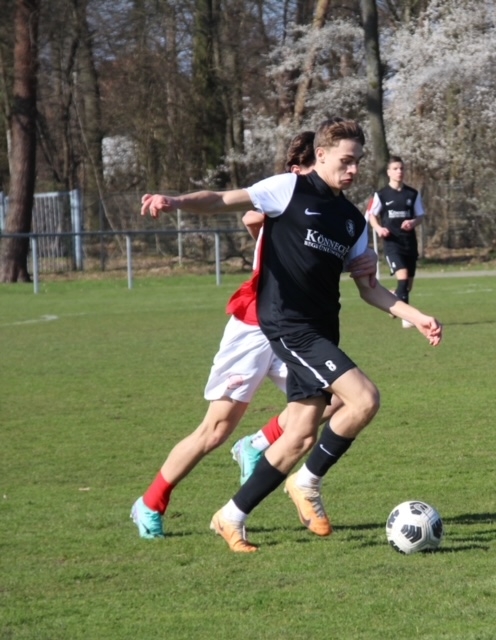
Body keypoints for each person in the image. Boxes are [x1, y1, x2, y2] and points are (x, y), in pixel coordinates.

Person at [139, 117, 443, 553]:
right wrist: (175, 201)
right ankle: (306, 482)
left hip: (321, 330)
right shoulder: (288, 189)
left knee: (300, 435)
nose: (354, 169)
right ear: (321, 155)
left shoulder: (353, 222)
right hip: (286, 324)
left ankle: (231, 516)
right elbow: (224, 200)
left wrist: (417, 316)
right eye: (346, 160)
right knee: (363, 398)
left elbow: (370, 289)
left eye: (358, 161)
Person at [366, 156, 425, 328]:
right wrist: (379, 228)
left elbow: (420, 215)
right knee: (403, 276)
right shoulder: (382, 195)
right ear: (389, 172)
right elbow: (372, 215)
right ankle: (407, 318)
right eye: (395, 168)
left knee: (407, 286)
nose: (399, 171)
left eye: (401, 168)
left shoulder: (412, 194)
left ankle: (393, 297)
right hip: (392, 243)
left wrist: (413, 222)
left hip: (409, 243)